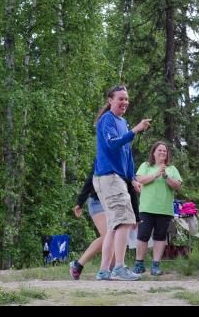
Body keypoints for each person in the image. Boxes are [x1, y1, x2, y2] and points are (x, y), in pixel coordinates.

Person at [92, 84, 151, 281]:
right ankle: (119, 267)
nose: (125, 102)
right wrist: (135, 130)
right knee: (125, 220)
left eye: (126, 99)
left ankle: (103, 270)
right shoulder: (106, 120)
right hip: (108, 177)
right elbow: (113, 144)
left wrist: (132, 177)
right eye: (121, 99)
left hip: (117, 178)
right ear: (110, 100)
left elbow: (126, 152)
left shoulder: (122, 122)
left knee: (114, 225)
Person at [133, 141, 182, 276]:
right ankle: (139, 264)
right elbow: (140, 179)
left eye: (164, 151)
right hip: (146, 208)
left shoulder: (171, 169)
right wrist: (156, 174)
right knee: (142, 236)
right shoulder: (146, 166)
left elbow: (178, 186)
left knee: (160, 237)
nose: (162, 153)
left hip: (164, 209)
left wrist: (165, 175)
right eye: (159, 150)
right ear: (153, 152)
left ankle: (155, 265)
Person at [68, 168, 115, 280]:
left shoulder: (123, 156)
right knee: (108, 235)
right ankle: (78, 264)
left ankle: (113, 269)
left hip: (114, 201)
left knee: (115, 236)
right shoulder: (102, 157)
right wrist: (80, 203)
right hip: (98, 202)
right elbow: (90, 180)